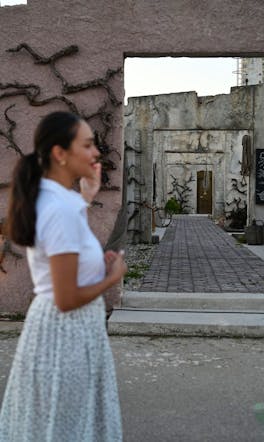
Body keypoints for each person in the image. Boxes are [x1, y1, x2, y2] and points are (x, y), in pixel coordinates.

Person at [0, 111, 127, 441]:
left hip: (64, 332)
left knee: (59, 425)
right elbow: (66, 297)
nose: (96, 153)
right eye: (87, 145)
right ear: (60, 153)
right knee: (66, 428)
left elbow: (65, 262)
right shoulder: (61, 209)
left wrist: (85, 198)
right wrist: (112, 278)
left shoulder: (60, 201)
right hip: (65, 335)